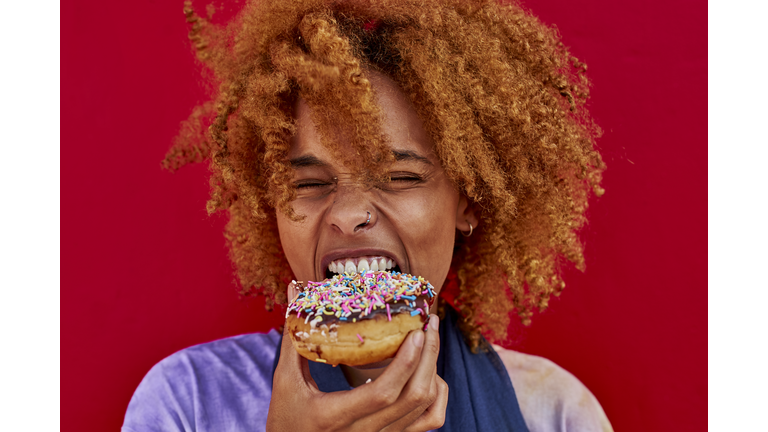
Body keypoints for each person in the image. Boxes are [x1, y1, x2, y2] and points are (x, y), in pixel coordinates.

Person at [123, 0, 612, 430]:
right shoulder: (185, 402)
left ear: (468, 202)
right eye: (310, 184)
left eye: (400, 177)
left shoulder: (554, 412)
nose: (350, 215)